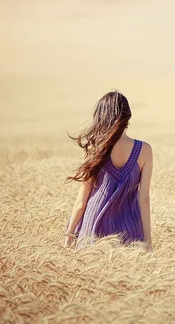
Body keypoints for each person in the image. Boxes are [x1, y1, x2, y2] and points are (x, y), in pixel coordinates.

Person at [63, 90, 153, 251]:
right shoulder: (145, 150)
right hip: (129, 233)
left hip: (92, 230)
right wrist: (148, 242)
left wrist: (69, 234)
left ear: (101, 118)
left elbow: (81, 202)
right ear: (128, 116)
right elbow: (144, 199)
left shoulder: (93, 149)